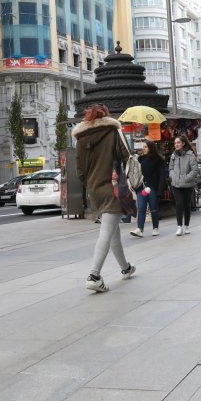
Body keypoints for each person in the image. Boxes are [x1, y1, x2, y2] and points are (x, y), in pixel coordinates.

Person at [72, 104, 136, 293]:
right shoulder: (114, 132)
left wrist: (91, 183)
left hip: (94, 189)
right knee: (107, 232)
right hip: (113, 186)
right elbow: (128, 158)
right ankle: (94, 275)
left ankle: (125, 267)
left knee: (112, 230)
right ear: (106, 116)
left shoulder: (80, 139)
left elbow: (80, 172)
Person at [130, 141, 164, 238]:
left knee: (154, 209)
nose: (143, 149)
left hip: (153, 187)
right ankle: (140, 229)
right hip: (142, 188)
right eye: (143, 147)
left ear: (151, 148)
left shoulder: (158, 160)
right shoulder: (140, 159)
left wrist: (160, 191)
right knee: (141, 208)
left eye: (145, 147)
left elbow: (162, 176)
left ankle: (155, 228)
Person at [168, 135, 199, 236]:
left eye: (178, 142)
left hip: (187, 184)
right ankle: (179, 226)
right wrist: (173, 176)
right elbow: (170, 168)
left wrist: (185, 178)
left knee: (186, 205)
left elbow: (194, 170)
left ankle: (186, 226)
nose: (176, 144)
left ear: (183, 143)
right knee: (179, 204)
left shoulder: (190, 155)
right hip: (176, 184)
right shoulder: (173, 155)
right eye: (175, 143)